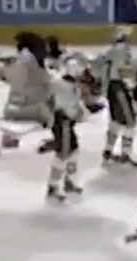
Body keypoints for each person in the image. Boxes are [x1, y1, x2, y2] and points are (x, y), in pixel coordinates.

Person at [100, 28, 137, 167]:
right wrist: (132, 87)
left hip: (113, 88)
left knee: (115, 121)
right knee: (130, 123)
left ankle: (108, 150)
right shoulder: (123, 50)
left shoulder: (112, 50)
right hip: (121, 89)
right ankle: (125, 153)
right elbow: (125, 71)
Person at [46, 68, 85, 202]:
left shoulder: (65, 87)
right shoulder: (63, 87)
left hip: (65, 123)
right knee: (63, 154)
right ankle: (53, 186)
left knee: (73, 151)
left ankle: (67, 182)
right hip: (62, 123)